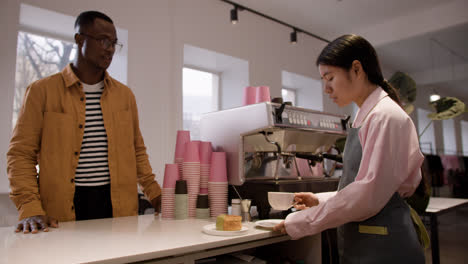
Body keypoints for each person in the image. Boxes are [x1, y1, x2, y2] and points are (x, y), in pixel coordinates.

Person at [273, 34, 425, 263]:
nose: (326, 89)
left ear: (356, 69)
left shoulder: (384, 116)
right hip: (368, 242)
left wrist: (302, 221)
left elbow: (368, 195)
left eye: (330, 78)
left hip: (385, 249)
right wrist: (319, 200)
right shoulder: (367, 116)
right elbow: (365, 187)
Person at [7, 11, 162, 234]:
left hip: (119, 209)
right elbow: (20, 154)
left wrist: (155, 195)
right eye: (103, 41)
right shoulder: (42, 92)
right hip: (62, 211)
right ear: (79, 39)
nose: (110, 48)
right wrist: (29, 207)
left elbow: (137, 151)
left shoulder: (124, 96)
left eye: (114, 43)